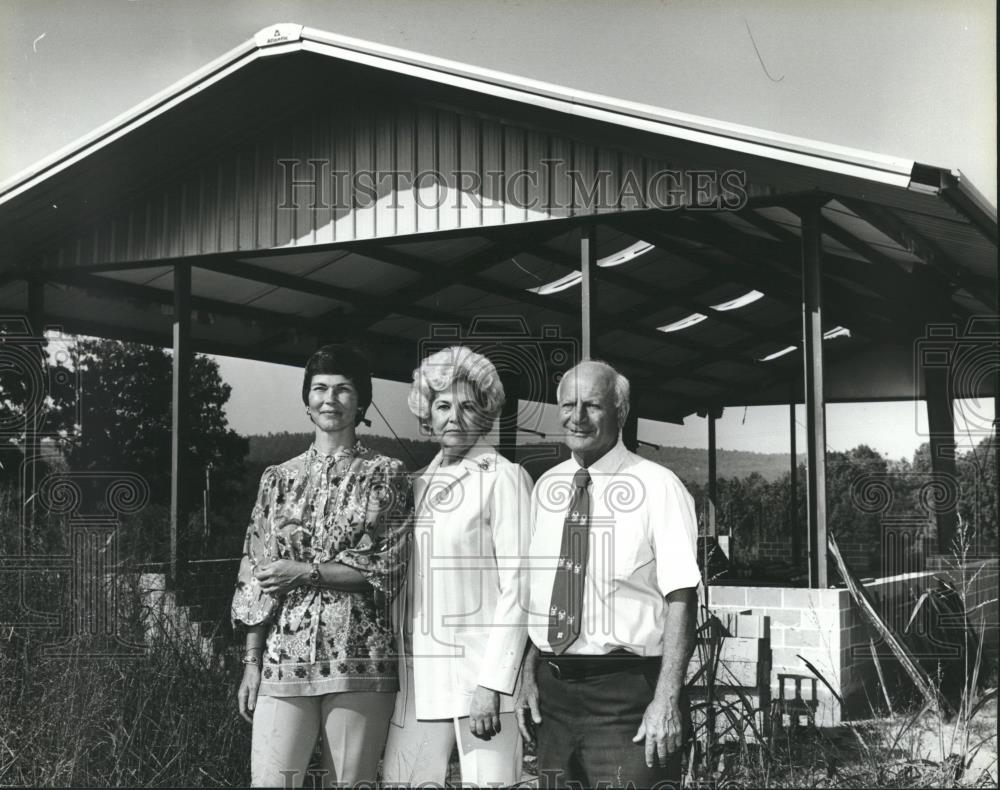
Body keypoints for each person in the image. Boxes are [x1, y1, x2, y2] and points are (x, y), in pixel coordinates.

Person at [231, 344, 412, 788]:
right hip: (281, 660)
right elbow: (256, 572)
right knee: (272, 783)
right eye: (320, 389)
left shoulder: (388, 475)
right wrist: (251, 662)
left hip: (360, 660)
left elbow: (387, 567)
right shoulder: (278, 478)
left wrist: (304, 573)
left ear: (362, 402)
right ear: (307, 401)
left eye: (343, 389)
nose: (330, 399)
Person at [516, 360, 700, 788]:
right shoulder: (546, 487)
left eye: (593, 405)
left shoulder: (659, 486)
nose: (577, 417)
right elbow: (545, 592)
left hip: (628, 699)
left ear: (621, 411)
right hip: (554, 700)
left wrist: (666, 700)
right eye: (568, 405)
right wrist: (528, 670)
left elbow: (682, 599)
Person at [381, 346, 533, 787]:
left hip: (480, 683)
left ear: (485, 414)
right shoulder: (417, 483)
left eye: (468, 406)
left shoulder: (503, 477)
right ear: (426, 413)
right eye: (443, 405)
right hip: (416, 684)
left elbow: (519, 587)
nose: (454, 416)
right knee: (402, 781)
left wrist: (494, 684)